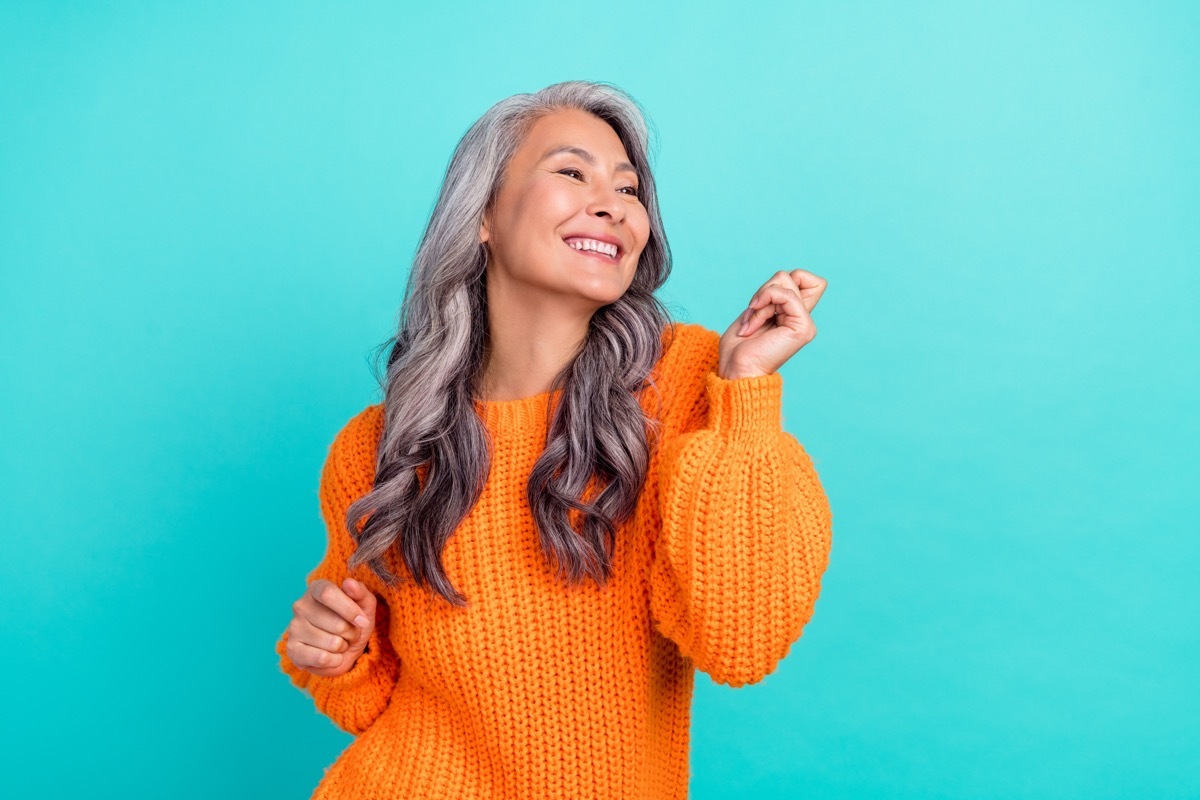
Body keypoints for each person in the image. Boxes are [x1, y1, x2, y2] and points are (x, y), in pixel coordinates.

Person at [275, 79, 833, 800]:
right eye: (572, 172)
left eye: (629, 189)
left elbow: (741, 641)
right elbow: (370, 701)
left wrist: (746, 395)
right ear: (482, 215)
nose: (612, 203)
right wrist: (335, 653)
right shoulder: (381, 445)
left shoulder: (689, 382)